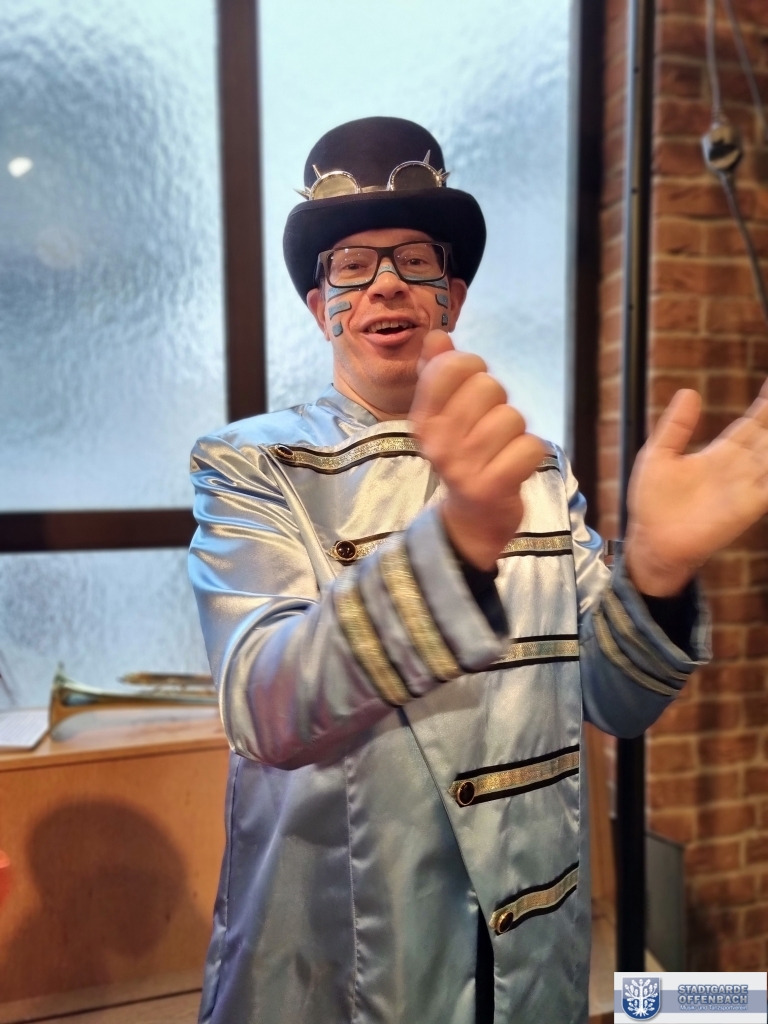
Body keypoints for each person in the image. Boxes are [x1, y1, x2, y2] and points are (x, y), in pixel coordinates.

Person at [188, 117, 768, 1024]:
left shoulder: (535, 471)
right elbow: (264, 705)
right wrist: (453, 545)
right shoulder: (254, 465)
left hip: (532, 961)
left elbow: (614, 699)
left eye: (415, 260)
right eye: (352, 265)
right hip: (341, 971)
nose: (386, 283)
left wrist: (656, 571)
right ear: (319, 305)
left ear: (450, 298)